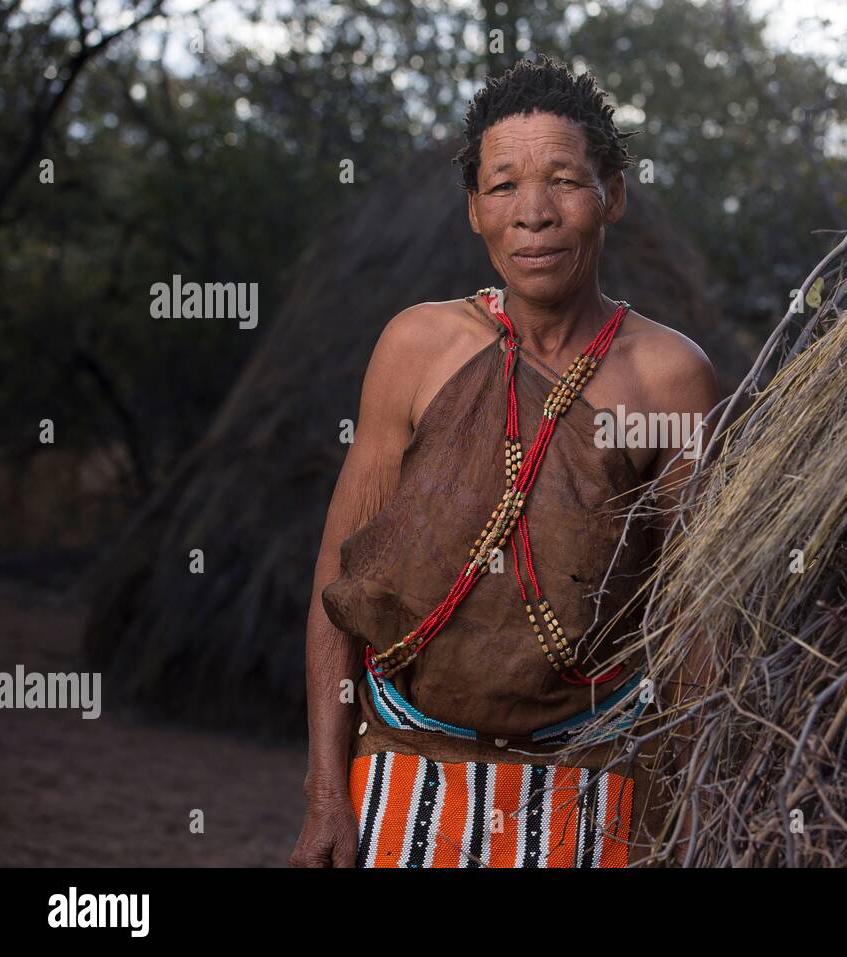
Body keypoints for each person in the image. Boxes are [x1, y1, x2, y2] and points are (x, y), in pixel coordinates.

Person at [289, 55, 718, 868]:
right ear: (474, 212)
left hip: (592, 788)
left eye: (563, 179)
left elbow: (693, 618)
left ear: (612, 197)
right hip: (406, 775)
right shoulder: (416, 347)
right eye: (503, 186)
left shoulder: (670, 375)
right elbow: (336, 586)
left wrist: (681, 810)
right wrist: (323, 794)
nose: (534, 214)